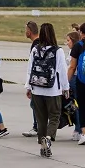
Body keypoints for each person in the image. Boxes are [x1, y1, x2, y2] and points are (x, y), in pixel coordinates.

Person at [24, 23, 69, 158]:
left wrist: (28, 86)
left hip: (37, 89)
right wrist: (65, 88)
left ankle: (42, 144)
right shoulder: (58, 51)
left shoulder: (35, 50)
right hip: (52, 89)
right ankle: (48, 138)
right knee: (54, 116)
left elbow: (30, 69)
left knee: (41, 119)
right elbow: (62, 71)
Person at [21, 21, 42, 138]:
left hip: (37, 80)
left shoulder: (36, 45)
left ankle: (36, 126)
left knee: (35, 104)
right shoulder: (39, 42)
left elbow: (32, 65)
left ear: (29, 31)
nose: (25, 32)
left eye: (26, 30)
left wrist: (29, 85)